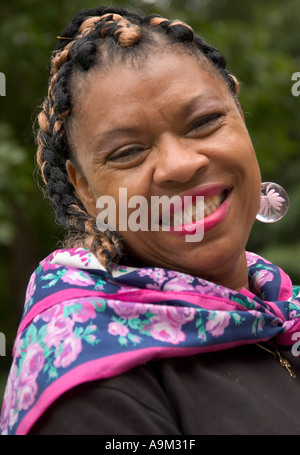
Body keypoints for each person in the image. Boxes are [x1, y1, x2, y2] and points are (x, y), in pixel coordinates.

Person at [1, 5, 300, 436]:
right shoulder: (94, 386)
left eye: (204, 122)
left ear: (240, 114)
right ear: (83, 187)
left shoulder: (280, 312)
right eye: (127, 152)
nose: (179, 165)